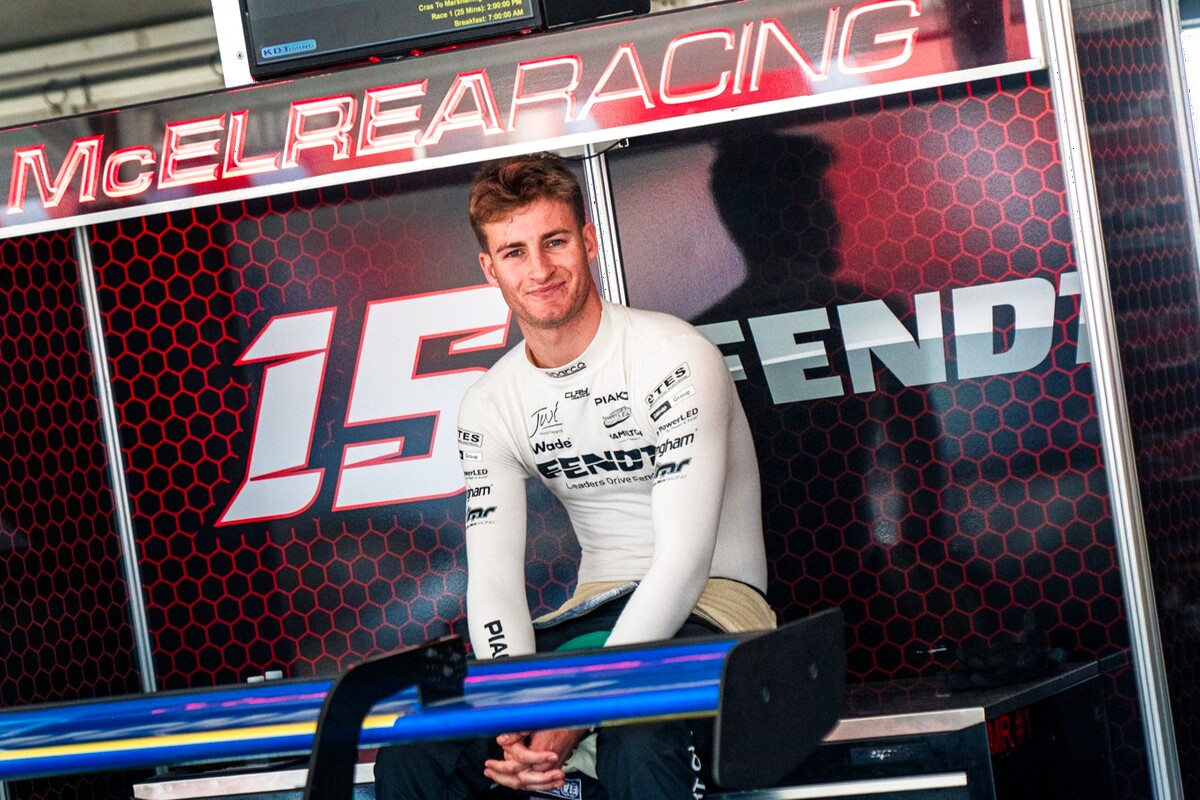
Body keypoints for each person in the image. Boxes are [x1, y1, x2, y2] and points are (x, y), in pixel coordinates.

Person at [374, 152, 774, 799]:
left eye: (555, 241)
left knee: (639, 740)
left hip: (717, 608)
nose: (539, 270)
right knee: (417, 749)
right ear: (490, 268)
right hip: (588, 614)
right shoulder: (490, 403)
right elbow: (493, 582)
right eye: (515, 252)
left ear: (587, 241)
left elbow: (683, 562)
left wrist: (578, 708)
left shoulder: (676, 357)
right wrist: (514, 711)